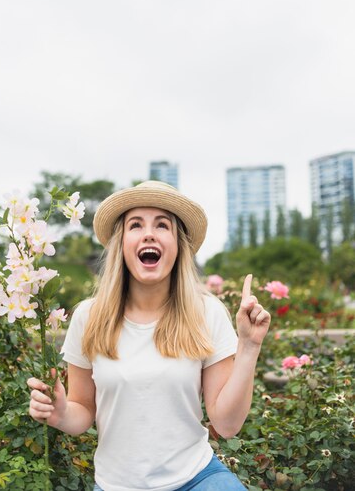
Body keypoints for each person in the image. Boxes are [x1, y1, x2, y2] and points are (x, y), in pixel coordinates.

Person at [28, 181, 271, 491]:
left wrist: (249, 346)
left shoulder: (207, 312)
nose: (149, 233)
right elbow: (83, 412)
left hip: (197, 479)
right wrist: (61, 413)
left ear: (178, 245)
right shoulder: (88, 318)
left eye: (162, 225)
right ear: (121, 243)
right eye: (136, 225)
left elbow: (226, 424)